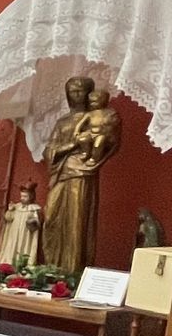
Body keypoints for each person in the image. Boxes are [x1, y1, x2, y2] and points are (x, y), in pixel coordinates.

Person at [43, 75, 122, 276]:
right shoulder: (63, 122)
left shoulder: (99, 116)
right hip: (61, 172)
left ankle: (72, 271)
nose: (75, 95)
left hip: (82, 172)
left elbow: (110, 143)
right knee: (52, 216)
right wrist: (70, 146)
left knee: (76, 220)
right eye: (71, 91)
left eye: (80, 90)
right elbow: (49, 150)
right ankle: (52, 267)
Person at [0, 183, 42, 268]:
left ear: (31, 196)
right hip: (14, 234)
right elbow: (8, 218)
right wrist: (10, 211)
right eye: (22, 196)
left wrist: (32, 221)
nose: (22, 198)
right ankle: (9, 264)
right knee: (12, 248)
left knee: (24, 249)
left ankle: (22, 265)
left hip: (26, 236)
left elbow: (37, 224)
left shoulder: (34, 209)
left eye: (25, 196)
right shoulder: (17, 207)